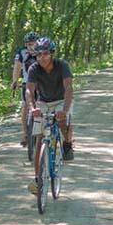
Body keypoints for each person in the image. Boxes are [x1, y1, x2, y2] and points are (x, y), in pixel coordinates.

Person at [26, 37, 74, 195]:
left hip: (61, 100)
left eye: (45, 54)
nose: (41, 58)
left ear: (52, 54)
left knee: (62, 122)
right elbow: (29, 91)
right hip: (43, 102)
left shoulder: (62, 66)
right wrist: (33, 108)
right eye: (38, 55)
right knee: (39, 138)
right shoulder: (34, 69)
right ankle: (38, 180)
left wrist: (65, 111)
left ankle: (67, 143)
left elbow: (68, 88)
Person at [10, 31, 39, 146]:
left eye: (32, 43)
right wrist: (15, 81)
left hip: (40, 82)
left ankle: (40, 131)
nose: (30, 46)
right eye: (28, 44)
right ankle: (25, 134)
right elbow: (17, 66)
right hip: (27, 82)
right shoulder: (21, 52)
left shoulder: (42, 51)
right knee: (25, 106)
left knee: (41, 104)